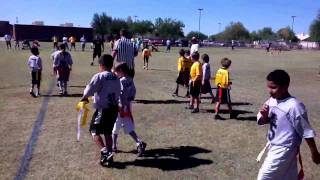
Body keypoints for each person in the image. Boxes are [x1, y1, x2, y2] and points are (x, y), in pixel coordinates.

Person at [257, 69, 320, 180]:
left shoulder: (294, 106)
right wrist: (265, 116)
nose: (270, 91)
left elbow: (306, 131)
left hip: (284, 149)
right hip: (273, 146)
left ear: (285, 86)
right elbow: (262, 120)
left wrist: (314, 152)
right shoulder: (271, 100)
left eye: (273, 87)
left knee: (263, 177)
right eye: (268, 87)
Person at [80, 54, 121, 167]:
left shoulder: (99, 76)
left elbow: (90, 88)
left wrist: (84, 98)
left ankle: (105, 152)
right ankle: (109, 155)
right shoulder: (116, 77)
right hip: (113, 109)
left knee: (94, 131)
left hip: (103, 109)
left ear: (101, 65)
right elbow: (118, 92)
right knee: (107, 132)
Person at [112, 62, 147, 156]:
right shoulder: (130, 79)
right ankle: (138, 143)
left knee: (116, 126)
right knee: (125, 126)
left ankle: (114, 146)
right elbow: (133, 92)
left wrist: (120, 105)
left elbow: (119, 94)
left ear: (121, 71)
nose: (116, 74)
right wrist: (129, 100)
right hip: (127, 106)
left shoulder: (121, 81)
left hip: (121, 108)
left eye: (117, 72)